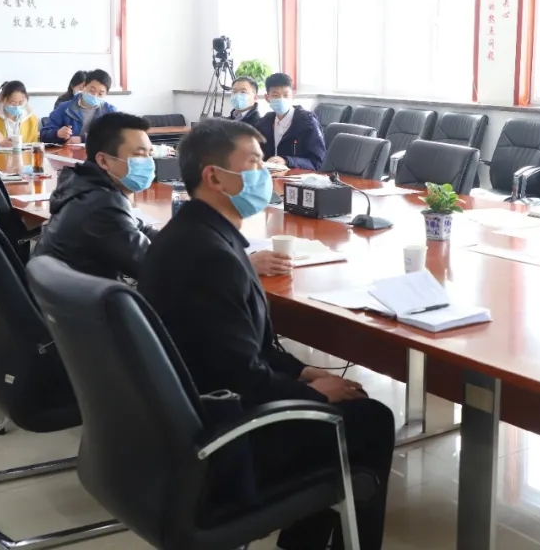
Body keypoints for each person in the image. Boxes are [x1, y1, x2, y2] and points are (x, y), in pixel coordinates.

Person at [140, 119, 393, 550]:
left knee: (349, 403)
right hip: (226, 434)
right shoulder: (211, 256)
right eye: (255, 163)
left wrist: (304, 372)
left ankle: (303, 540)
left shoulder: (194, 234)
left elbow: (241, 346)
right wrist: (311, 395)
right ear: (214, 177)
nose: (266, 174)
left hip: (194, 411)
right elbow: (240, 375)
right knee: (371, 419)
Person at [33, 113, 158, 281]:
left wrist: (181, 238)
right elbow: (155, 267)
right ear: (103, 161)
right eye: (139, 154)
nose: (149, 162)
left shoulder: (85, 185)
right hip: (82, 296)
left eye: (150, 154)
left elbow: (138, 228)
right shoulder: (101, 206)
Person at [255, 73, 326, 171]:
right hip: (268, 175)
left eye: (286, 95)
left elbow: (318, 163)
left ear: (292, 96)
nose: (281, 99)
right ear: (267, 98)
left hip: (296, 177)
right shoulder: (264, 123)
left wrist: (287, 161)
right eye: (275, 95)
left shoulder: (308, 123)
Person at [41, 69, 117, 144]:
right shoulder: (65, 108)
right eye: (92, 91)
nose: (95, 96)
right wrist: (57, 133)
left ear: (106, 94)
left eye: (100, 94)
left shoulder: (109, 111)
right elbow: (44, 134)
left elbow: (115, 136)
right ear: (84, 87)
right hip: (68, 151)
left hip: (97, 151)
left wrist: (82, 139)